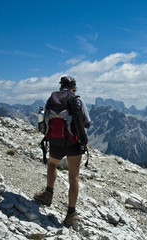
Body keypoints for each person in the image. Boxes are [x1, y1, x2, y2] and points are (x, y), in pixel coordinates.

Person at [34, 76, 91, 227]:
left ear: (61, 86)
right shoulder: (77, 100)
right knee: (74, 178)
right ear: (74, 87)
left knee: (52, 164)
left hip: (55, 142)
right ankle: (70, 214)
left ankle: (48, 194)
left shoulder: (51, 99)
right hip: (73, 143)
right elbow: (87, 123)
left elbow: (44, 120)